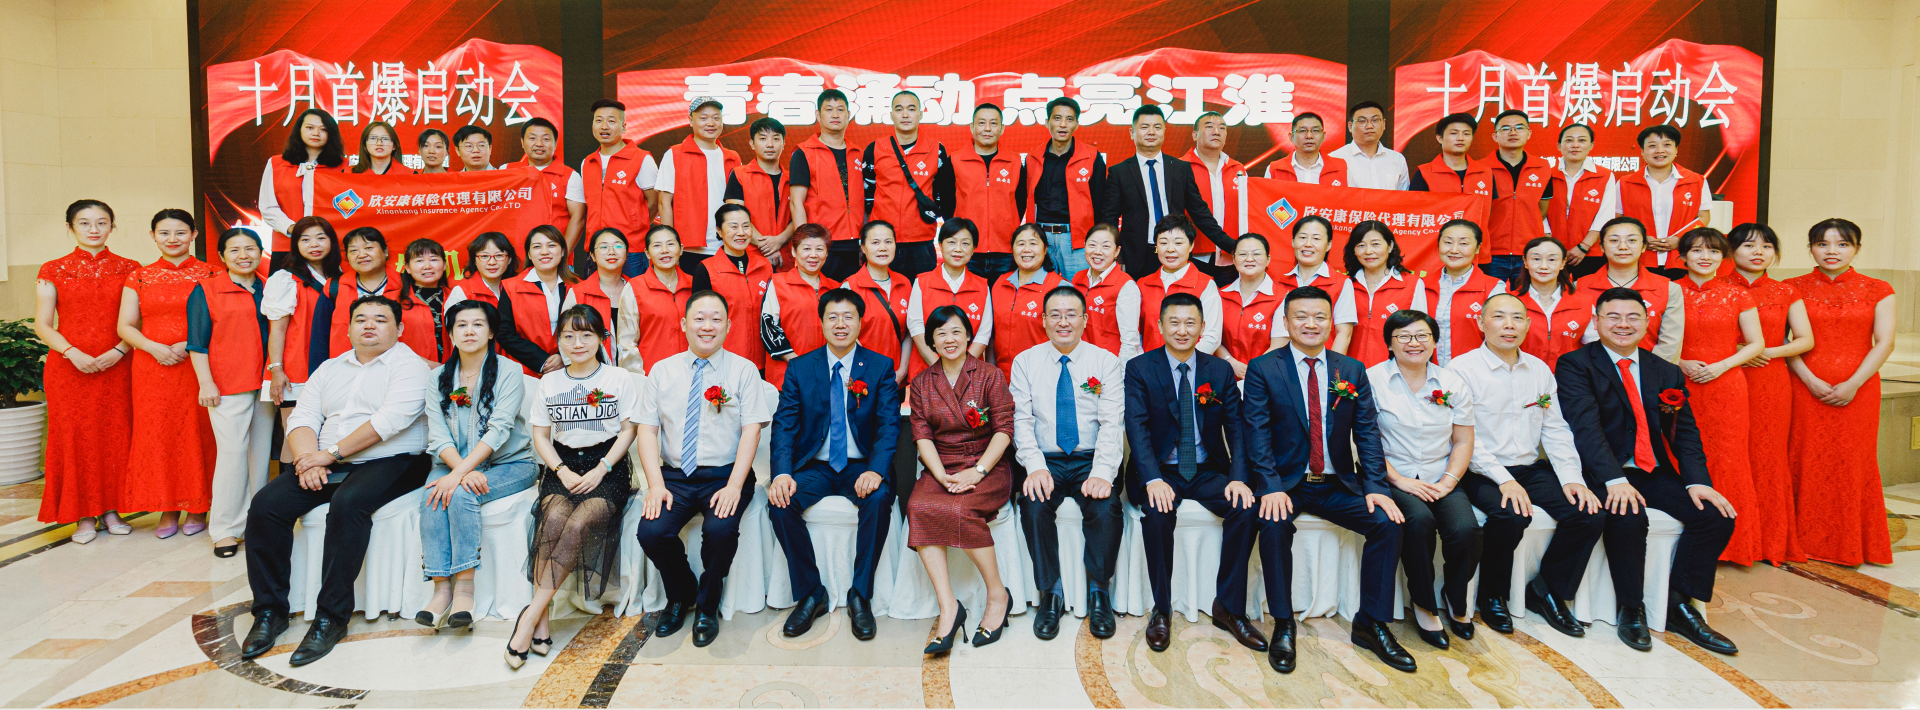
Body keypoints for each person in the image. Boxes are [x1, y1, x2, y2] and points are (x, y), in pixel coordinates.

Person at [239, 295, 433, 667]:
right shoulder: (330, 368)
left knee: (348, 503)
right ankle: (270, 611)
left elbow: (390, 421)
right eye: (361, 319)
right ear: (348, 328)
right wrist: (306, 461)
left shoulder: (410, 366)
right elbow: (303, 418)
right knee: (266, 506)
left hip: (394, 460)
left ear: (399, 329)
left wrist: (328, 455)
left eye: (380, 319)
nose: (369, 325)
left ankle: (331, 617)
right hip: (324, 459)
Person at [1555, 288, 1738, 655]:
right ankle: (1631, 609)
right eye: (1613, 317)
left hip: (1650, 469)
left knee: (1715, 515)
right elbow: (1586, 429)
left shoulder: (1665, 371)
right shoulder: (1576, 364)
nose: (1623, 324)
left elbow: (1685, 433)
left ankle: (1679, 604)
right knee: (1628, 514)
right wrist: (1615, 480)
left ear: (1646, 322)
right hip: (1600, 471)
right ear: (1596, 322)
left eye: (1633, 317)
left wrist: (1698, 482)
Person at [1243, 286, 1409, 674]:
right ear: (1286, 322)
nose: (1311, 324)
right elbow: (1257, 433)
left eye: (1320, 316)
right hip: (1288, 483)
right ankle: (1283, 623)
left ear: (1331, 322)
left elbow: (1367, 432)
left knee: (1387, 522)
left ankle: (1371, 623)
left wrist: (1377, 488)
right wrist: (1270, 486)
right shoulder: (1264, 368)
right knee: (1272, 524)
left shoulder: (1350, 369)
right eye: (1301, 316)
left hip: (1337, 483)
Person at [1453, 293, 1603, 640]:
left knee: (1588, 513)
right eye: (1499, 317)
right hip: (1479, 469)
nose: (1509, 325)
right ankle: (1492, 595)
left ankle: (1546, 590)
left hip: (1529, 467)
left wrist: (1572, 478)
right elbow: (1463, 437)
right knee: (1511, 515)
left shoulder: (1539, 370)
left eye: (1517, 318)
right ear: (1481, 323)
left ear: (1528, 324)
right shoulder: (1461, 370)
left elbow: (1555, 429)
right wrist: (1503, 480)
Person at [1126, 293, 1261, 656]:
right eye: (1174, 322)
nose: (1182, 330)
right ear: (1160, 326)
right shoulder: (1140, 368)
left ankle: (1229, 607)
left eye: (1190, 323)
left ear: (1202, 328)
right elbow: (1136, 428)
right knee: (1157, 513)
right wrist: (1152, 479)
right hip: (1161, 470)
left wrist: (1239, 477)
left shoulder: (1219, 371)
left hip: (1205, 469)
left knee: (1246, 508)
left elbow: (1237, 428)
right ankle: (1161, 609)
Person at [506, 305, 639, 668]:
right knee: (552, 520)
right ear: (559, 341)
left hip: (607, 466)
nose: (577, 343)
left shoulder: (618, 378)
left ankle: (530, 616)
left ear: (601, 338)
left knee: (579, 523)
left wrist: (602, 468)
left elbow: (629, 430)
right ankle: (541, 619)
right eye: (568, 336)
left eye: (586, 335)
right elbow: (541, 435)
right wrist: (561, 470)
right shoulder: (550, 382)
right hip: (561, 465)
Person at [635, 291, 768, 647]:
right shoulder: (662, 371)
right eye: (699, 318)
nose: (707, 326)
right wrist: (655, 485)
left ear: (728, 325)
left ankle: (708, 605)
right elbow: (646, 430)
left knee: (720, 531)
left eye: (715, 319)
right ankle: (681, 593)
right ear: (684, 324)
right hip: (675, 476)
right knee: (651, 532)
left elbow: (752, 430)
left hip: (725, 475)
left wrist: (735, 486)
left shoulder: (743, 370)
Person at [767, 290, 901, 640]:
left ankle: (860, 595)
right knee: (780, 503)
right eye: (833, 317)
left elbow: (889, 425)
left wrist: (876, 470)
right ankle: (812, 592)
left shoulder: (879, 366)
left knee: (878, 499)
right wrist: (782, 473)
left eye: (848, 317)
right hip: (816, 466)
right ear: (822, 322)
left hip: (861, 465)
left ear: (860, 322)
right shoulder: (800, 368)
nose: (841, 324)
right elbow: (784, 425)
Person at [1012, 286, 1125, 641]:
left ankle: (1099, 591)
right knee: (1033, 506)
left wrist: (1102, 473)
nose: (1064, 322)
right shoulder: (1025, 362)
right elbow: (1021, 422)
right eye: (1056, 315)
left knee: (1105, 509)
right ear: (1043, 320)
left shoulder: (1105, 362)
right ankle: (1052, 592)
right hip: (1045, 458)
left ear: (1085, 320)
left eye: (1071, 314)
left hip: (1092, 457)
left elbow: (1112, 423)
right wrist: (1034, 467)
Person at [416, 301, 536, 630]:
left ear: (491, 332)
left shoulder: (510, 371)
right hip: (453, 461)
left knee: (460, 493)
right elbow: (438, 435)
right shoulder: (437, 377)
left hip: (510, 463)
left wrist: (459, 476)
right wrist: (461, 471)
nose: (469, 331)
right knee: (432, 494)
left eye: (478, 324)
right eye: (462, 325)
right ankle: (441, 590)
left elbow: (499, 429)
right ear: (451, 334)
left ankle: (465, 589)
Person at [1786, 218, 1896, 566]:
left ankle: (1850, 543)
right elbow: (1784, 342)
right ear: (1811, 248)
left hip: (1859, 389)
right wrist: (1809, 380)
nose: (1831, 251)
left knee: (1852, 461)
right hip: (1804, 387)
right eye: (1822, 244)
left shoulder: (1879, 289)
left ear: (1857, 248)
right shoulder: (1790, 288)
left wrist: (1853, 384)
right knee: (1804, 457)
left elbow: (1885, 342)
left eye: (1842, 244)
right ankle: (1801, 540)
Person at [907, 305, 1017, 652]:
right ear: (931, 342)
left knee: (961, 509)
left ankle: (998, 595)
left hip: (988, 465)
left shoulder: (989, 375)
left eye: (956, 331)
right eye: (940, 334)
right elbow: (922, 435)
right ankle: (949, 607)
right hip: (942, 465)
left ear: (969, 336)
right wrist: (940, 476)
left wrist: (978, 470)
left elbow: (1004, 430)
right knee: (919, 506)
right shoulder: (922, 383)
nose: (949, 339)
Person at [1367, 311, 1477, 651]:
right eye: (1403, 336)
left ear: (1434, 341)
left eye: (1422, 336)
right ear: (1389, 343)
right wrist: (1399, 480)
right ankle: (1424, 604)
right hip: (1393, 476)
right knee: (1418, 522)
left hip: (1439, 474)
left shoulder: (1453, 382)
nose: (1413, 343)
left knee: (1466, 530)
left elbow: (1463, 440)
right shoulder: (1372, 379)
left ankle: (1455, 598)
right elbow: (1366, 441)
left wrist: (1448, 482)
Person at [35, 200, 138, 543]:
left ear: (112, 226)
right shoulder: (52, 269)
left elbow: (139, 320)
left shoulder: (131, 269)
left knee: (115, 436)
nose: (94, 229)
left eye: (102, 222)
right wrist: (71, 352)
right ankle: (82, 515)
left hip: (117, 365)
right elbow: (42, 324)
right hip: (69, 368)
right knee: (74, 439)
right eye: (84, 223)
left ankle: (112, 510)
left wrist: (119, 350)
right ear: (70, 227)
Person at [117, 209, 219, 539]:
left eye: (180, 232)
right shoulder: (139, 276)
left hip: (197, 364)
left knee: (198, 432)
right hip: (152, 366)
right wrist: (152, 347)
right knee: (159, 436)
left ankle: (199, 504)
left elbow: (221, 319)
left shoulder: (212, 273)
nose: (172, 239)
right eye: (164, 233)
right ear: (153, 236)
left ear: (194, 235)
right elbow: (125, 326)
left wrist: (189, 343)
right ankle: (167, 506)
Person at [1674, 228, 1766, 565]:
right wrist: (1679, 362)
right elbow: (1651, 338)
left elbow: (1756, 343)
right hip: (1678, 385)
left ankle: (1733, 545)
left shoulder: (1737, 294)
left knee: (1728, 458)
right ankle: (1683, 543)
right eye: (1697, 250)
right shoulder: (1670, 292)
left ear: (1723, 257)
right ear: (1682, 256)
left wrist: (1721, 366)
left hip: (1726, 386)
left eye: (1713, 251)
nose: (1705, 257)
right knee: (1680, 454)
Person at [1725, 224, 1810, 564]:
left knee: (1767, 455)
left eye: (1766, 246)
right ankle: (1730, 539)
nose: (1758, 252)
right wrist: (1739, 351)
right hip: (1726, 377)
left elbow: (1805, 339)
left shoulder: (1786, 291)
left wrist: (1765, 351)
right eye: (1748, 245)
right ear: (1731, 251)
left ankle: (1768, 540)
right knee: (1731, 453)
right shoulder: (1717, 288)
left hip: (1771, 379)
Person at [187, 228, 274, 558]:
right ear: (222, 256)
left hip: (266, 384)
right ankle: (225, 529)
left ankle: (257, 522)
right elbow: (197, 342)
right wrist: (206, 382)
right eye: (234, 250)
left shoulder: (268, 288)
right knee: (232, 455)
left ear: (260, 252)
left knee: (259, 457)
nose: (243, 255)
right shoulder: (207, 289)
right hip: (227, 384)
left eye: (250, 248)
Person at [1100, 105, 1232, 279]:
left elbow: (1200, 214)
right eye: (1144, 127)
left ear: (1164, 131)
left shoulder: (1180, 168)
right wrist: (1115, 256)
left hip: (1176, 252)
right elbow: (1109, 218)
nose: (1151, 132)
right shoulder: (1119, 172)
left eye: (1157, 127)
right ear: (1132, 132)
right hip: (1136, 256)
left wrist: (1233, 246)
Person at [863, 90, 954, 279]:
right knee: (882, 294)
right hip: (884, 242)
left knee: (922, 295)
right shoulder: (875, 149)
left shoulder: (936, 149)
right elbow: (867, 195)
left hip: (922, 243)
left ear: (920, 114)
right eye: (899, 109)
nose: (905, 115)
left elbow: (942, 194)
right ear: (891, 115)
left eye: (911, 109)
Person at [1575, 217, 1683, 362]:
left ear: (1644, 246)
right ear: (1601, 247)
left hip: (1650, 371)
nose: (1623, 247)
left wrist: (1649, 372)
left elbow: (1670, 344)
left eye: (1632, 240)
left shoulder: (1669, 289)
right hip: (1590, 372)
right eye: (1614, 240)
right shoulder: (1578, 287)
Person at [265, 217, 342, 413]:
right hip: (297, 368)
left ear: (332, 241)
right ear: (296, 244)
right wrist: (277, 370)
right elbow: (277, 330)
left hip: (337, 364)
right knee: (296, 430)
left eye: (321, 238)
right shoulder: (286, 279)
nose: (314, 245)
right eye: (305, 239)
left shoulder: (343, 277)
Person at [1617, 125, 1711, 280]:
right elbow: (1618, 218)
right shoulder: (1625, 183)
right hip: (1638, 257)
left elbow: (1703, 217)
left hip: (1681, 257)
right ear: (1642, 151)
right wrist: (1640, 238)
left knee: (1677, 295)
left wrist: (1681, 239)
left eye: (1667, 145)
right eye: (1652, 146)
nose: (1660, 150)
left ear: (1676, 150)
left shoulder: (1696, 181)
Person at [1025, 96, 1104, 278]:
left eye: (1069, 119)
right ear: (1047, 122)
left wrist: (1095, 239)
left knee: (1078, 290)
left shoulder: (1091, 157)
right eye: (1057, 118)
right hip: (1041, 237)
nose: (1063, 124)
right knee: (1041, 289)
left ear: (1076, 124)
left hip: (1076, 239)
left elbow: (1100, 201)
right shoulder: (1033, 158)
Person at [658, 97, 740, 271]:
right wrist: (669, 246)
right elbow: (664, 203)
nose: (711, 123)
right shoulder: (674, 154)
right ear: (690, 120)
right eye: (703, 118)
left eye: (716, 118)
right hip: (688, 248)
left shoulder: (732, 157)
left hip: (727, 245)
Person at [905, 219, 993, 379]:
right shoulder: (922, 282)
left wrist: (961, 371)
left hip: (969, 375)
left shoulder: (982, 286)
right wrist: (941, 370)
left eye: (965, 243)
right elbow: (916, 328)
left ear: (974, 249)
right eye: (951, 242)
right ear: (940, 245)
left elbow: (983, 333)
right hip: (926, 372)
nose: (958, 249)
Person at [791, 90, 862, 276]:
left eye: (840, 109)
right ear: (818, 115)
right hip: (821, 243)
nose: (835, 115)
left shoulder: (858, 153)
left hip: (855, 244)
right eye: (829, 109)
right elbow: (796, 202)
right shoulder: (804, 152)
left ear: (849, 114)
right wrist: (804, 244)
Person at [1479, 110, 1556, 283]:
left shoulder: (1542, 167)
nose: (1513, 132)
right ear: (1495, 136)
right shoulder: (1480, 168)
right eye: (1506, 128)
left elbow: (1542, 209)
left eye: (1519, 128)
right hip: (1491, 253)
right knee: (1491, 298)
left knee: (1527, 298)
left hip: (1530, 252)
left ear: (1529, 134)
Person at [580, 99, 659, 265]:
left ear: (624, 127)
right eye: (599, 120)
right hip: (596, 248)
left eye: (611, 121)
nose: (604, 126)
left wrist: (635, 227)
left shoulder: (642, 159)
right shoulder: (587, 162)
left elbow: (654, 203)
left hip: (631, 250)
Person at [617, 225, 704, 373]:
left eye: (670, 244)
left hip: (694, 373)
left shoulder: (695, 285)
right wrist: (639, 379)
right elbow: (627, 343)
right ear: (647, 253)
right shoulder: (635, 288)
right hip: (652, 375)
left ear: (681, 249)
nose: (665, 250)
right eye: (657, 245)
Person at [954, 103, 1024, 285]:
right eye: (981, 123)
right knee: (967, 300)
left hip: (1005, 251)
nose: (987, 129)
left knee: (1004, 300)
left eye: (993, 123)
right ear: (972, 127)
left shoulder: (1015, 162)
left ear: (1002, 128)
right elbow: (947, 204)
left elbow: (1020, 202)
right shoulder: (954, 160)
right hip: (966, 249)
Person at [1342, 221, 1430, 367]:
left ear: (1390, 246)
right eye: (1361, 245)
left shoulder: (1412, 284)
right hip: (1349, 369)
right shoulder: (1345, 284)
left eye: (1375, 244)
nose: (1368, 251)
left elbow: (1420, 333)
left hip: (1393, 370)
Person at [762, 224, 840, 386]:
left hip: (827, 376)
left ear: (826, 253)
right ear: (793, 251)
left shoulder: (836, 288)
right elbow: (769, 328)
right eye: (806, 249)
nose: (813, 255)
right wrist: (800, 365)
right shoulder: (778, 283)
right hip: (787, 376)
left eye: (819, 249)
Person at [259, 108, 346, 253]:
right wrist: (293, 228)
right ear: (299, 130)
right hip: (287, 244)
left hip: (329, 246)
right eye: (310, 128)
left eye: (323, 129)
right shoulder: (276, 163)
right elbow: (268, 207)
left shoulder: (345, 167)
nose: (316, 133)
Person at [1424, 219, 1506, 366]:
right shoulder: (1422, 285)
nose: (1454, 250)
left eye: (1463, 243)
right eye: (1448, 242)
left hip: (1475, 372)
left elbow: (1500, 337)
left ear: (1477, 248)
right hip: (1429, 372)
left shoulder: (1493, 288)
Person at [705, 204, 776, 370]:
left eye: (746, 226)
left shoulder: (764, 266)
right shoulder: (707, 269)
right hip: (724, 361)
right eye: (733, 227)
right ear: (719, 231)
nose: (741, 233)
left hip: (765, 360)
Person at [1136, 217, 1222, 354]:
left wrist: (1182, 361)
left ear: (1191, 245)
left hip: (1190, 364)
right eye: (1163, 243)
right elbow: (1136, 333)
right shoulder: (1143, 284)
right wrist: (1144, 362)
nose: (1170, 249)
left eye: (1178, 243)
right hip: (1148, 363)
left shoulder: (1205, 284)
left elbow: (1212, 337)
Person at [988, 224, 1064, 376]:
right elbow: (992, 334)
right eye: (1021, 244)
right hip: (1003, 377)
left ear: (1045, 249)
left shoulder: (1060, 287)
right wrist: (991, 372)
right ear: (1012, 249)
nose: (1026, 249)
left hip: (1042, 377)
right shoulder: (1000, 283)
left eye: (1033, 243)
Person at [842, 221, 912, 385]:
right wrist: (872, 372)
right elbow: (845, 334)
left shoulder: (904, 283)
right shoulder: (850, 287)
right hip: (862, 377)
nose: (883, 248)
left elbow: (910, 330)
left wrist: (902, 370)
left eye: (888, 242)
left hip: (896, 377)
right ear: (863, 247)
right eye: (875, 242)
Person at [498, 226, 574, 375]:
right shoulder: (511, 287)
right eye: (537, 247)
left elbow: (587, 329)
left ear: (563, 251)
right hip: (525, 371)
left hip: (570, 369)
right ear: (529, 254)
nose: (544, 252)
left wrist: (563, 357)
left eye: (551, 245)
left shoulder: (577, 286)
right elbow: (504, 333)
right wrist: (541, 361)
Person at [1274, 216, 1357, 351]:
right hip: (1282, 360)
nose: (1308, 244)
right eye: (1302, 237)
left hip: (1321, 360)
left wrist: (1332, 364)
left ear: (1328, 245)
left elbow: (1343, 334)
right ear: (1293, 241)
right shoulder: (1278, 283)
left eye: (1316, 239)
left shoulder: (1341, 283)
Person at [1547, 123, 1618, 280]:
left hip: (1591, 252)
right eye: (1569, 140)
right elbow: (1540, 213)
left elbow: (1605, 216)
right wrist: (1551, 245)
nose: (1575, 145)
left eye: (1582, 140)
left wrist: (1583, 246)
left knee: (1589, 292)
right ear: (1559, 145)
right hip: (1551, 252)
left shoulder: (1604, 176)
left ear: (1591, 145)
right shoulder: (1547, 174)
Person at [1215, 234, 1288, 379]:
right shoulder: (1220, 295)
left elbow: (1279, 345)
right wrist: (1231, 362)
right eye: (1242, 254)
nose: (1249, 259)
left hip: (1267, 376)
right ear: (1234, 259)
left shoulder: (1282, 297)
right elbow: (1211, 337)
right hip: (1225, 374)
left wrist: (1254, 371)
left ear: (1268, 259)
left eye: (1257, 254)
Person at [725, 117, 794, 269]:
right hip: (749, 257)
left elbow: (799, 216)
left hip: (785, 257)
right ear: (752, 144)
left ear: (784, 143)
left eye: (776, 138)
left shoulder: (792, 179)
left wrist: (779, 241)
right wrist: (768, 248)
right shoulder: (739, 175)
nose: (770, 144)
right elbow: (735, 216)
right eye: (763, 138)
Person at [510, 118, 586, 253]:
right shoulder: (507, 171)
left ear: (555, 143)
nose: (539, 144)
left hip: (554, 254)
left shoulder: (570, 176)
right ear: (522, 142)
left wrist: (562, 254)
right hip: (514, 254)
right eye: (532, 138)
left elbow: (578, 218)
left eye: (546, 139)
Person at [1515, 236, 1591, 370]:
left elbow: (1593, 347)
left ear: (1563, 263)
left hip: (1570, 376)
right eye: (1536, 259)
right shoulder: (1509, 302)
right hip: (1521, 374)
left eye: (1551, 260)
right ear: (1525, 262)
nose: (1543, 266)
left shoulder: (1584, 303)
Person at [562, 228, 635, 366]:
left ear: (626, 254)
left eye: (618, 246)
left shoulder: (637, 290)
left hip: (636, 372)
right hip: (592, 371)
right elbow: (565, 337)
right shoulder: (579, 292)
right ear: (593, 256)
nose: (611, 251)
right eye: (603, 247)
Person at [1183, 111, 1247, 262]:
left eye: (1222, 128)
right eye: (1209, 126)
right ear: (1195, 135)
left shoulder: (1238, 169)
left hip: (1232, 254)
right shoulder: (1181, 167)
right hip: (1193, 254)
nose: (1216, 132)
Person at [1072, 223, 1142, 360]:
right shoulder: (1077, 279)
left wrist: (1121, 370)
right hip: (1079, 360)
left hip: (1109, 363)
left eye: (1106, 246)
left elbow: (1130, 341)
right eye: (1092, 245)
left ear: (1117, 251)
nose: (1098, 252)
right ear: (1084, 246)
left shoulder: (1126, 286)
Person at [328, 227, 402, 356]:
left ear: (385, 251)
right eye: (353, 251)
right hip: (347, 364)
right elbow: (320, 334)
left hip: (397, 363)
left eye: (368, 248)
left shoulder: (406, 284)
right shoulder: (334, 287)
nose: (361, 255)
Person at [1409, 113, 1494, 200]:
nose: (1460, 138)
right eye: (1454, 133)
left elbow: (1494, 207)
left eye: (1466, 134)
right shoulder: (1424, 173)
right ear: (1440, 138)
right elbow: (1416, 206)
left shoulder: (1486, 173)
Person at [1329, 101, 1409, 191]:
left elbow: (1404, 196)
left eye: (1375, 120)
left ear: (1384, 124)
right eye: (1362, 121)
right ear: (1350, 126)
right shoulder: (1334, 159)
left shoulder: (1397, 159)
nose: (1369, 126)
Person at [396, 238, 451, 362]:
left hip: (453, 369)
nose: (427, 266)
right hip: (408, 368)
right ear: (407, 268)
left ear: (444, 265)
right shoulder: (393, 301)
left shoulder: (457, 297)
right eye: (419, 261)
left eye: (434, 260)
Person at [1264, 112, 1349, 186]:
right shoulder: (1274, 170)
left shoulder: (1341, 168)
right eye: (1302, 131)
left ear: (1323, 136)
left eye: (1315, 130)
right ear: (1291, 137)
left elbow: (1350, 198)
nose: (1309, 136)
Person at [446, 232, 518, 310]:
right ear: (474, 260)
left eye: (499, 255)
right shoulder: (461, 292)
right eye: (484, 256)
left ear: (509, 259)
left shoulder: (516, 288)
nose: (492, 262)